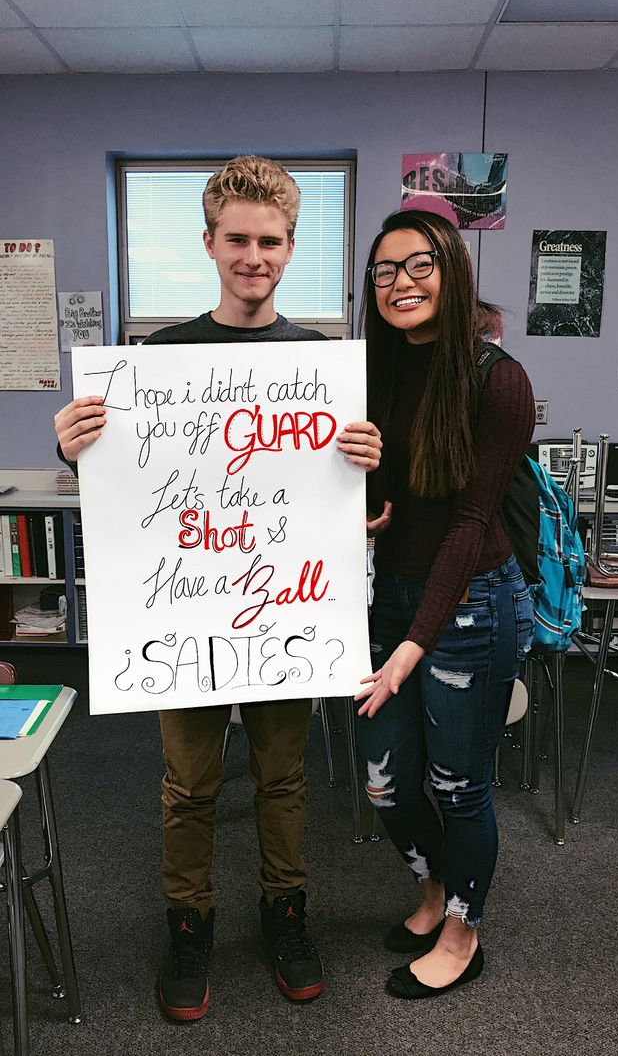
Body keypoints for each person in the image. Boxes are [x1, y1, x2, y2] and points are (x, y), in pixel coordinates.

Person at [54, 156, 381, 1018]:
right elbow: (122, 481)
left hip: (280, 608)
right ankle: (188, 925)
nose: (253, 255)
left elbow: (326, 503)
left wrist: (362, 470)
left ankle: (285, 914)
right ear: (210, 243)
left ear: (290, 247)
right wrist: (73, 442)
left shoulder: (318, 366)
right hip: (186, 612)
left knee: (283, 779)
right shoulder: (159, 358)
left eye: (270, 240)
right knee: (188, 785)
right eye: (237, 238)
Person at [355, 209, 535, 999]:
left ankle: (463, 928)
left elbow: (468, 524)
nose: (401, 282)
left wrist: (411, 645)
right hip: (390, 596)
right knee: (383, 781)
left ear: (452, 270)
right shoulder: (375, 373)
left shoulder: (498, 378)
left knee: (460, 785)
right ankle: (431, 893)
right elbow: (386, 500)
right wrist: (363, 502)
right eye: (386, 270)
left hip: (472, 602)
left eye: (419, 264)